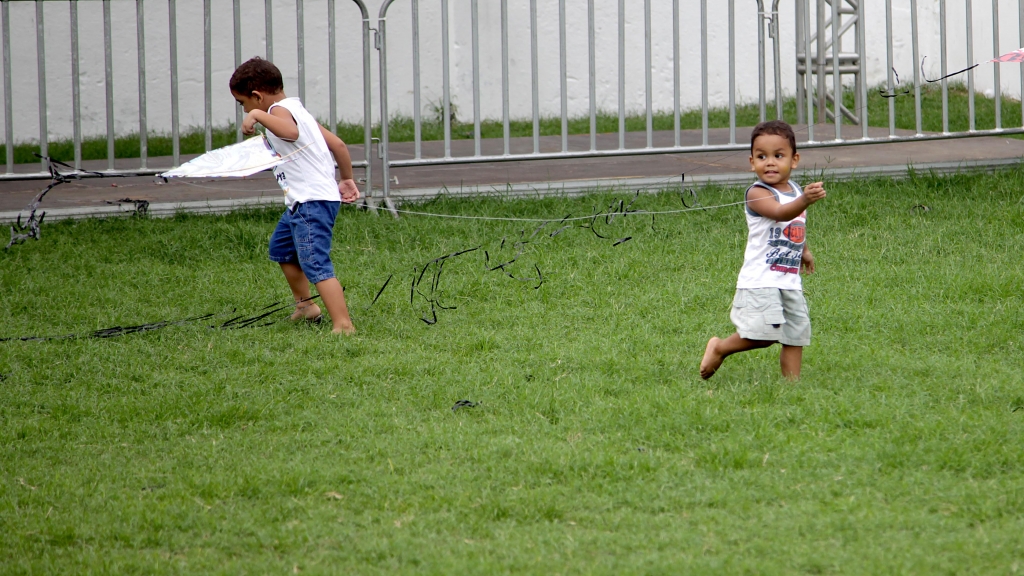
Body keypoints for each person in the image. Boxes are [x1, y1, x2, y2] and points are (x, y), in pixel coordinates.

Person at [229, 57, 360, 335]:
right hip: (302, 202)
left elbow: (290, 132)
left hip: (312, 202)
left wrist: (257, 116)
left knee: (314, 261)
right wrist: (346, 179)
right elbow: (338, 143)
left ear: (257, 96)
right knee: (282, 249)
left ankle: (343, 324)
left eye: (243, 104)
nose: (244, 109)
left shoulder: (278, 111)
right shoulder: (296, 109)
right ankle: (306, 306)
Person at [700, 120, 827, 380]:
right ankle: (720, 347)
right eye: (762, 156)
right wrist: (805, 199)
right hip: (761, 280)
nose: (769, 162)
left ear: (794, 160)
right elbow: (781, 214)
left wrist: (804, 251)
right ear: (751, 162)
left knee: (795, 334)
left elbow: (795, 225)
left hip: (789, 280)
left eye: (778, 156)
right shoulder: (757, 194)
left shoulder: (793, 190)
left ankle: (792, 387)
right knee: (763, 336)